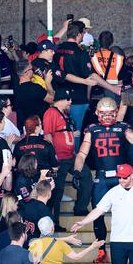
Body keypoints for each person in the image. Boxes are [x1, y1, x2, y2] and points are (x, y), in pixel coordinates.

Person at [74, 97, 133, 263]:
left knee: (131, 212)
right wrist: (77, 171)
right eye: (104, 113)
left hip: (122, 178)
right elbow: (82, 154)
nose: (107, 116)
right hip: (102, 177)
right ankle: (101, 251)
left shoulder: (122, 127)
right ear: (97, 113)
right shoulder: (91, 129)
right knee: (98, 214)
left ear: (115, 113)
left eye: (110, 113)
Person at [71, 164, 133, 264]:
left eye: (125, 177)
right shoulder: (113, 192)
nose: (121, 180)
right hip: (117, 240)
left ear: (132, 176)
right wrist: (83, 222)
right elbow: (98, 210)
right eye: (119, 177)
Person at [53, 20, 114, 151]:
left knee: (60, 130)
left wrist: (63, 28)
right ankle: (73, 158)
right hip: (77, 98)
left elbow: (51, 42)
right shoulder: (81, 52)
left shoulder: (57, 49)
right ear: (80, 35)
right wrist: (113, 88)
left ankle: (61, 157)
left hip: (59, 97)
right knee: (76, 131)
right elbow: (91, 75)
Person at [43, 88, 92, 229]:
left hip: (70, 157)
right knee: (57, 191)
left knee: (86, 176)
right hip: (59, 159)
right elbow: (48, 135)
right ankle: (54, 223)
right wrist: (54, 157)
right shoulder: (51, 112)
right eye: (68, 99)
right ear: (60, 100)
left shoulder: (64, 114)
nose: (70, 102)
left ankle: (80, 207)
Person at [29, 216, 104, 264]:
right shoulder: (60, 243)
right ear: (52, 229)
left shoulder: (34, 244)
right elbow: (76, 257)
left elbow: (31, 262)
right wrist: (92, 247)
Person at [14, 59, 54, 132]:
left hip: (23, 126)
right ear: (26, 73)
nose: (33, 71)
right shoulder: (34, 88)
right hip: (38, 127)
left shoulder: (15, 87)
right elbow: (52, 99)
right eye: (31, 69)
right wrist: (48, 82)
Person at [90, 30, 125, 101]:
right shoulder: (119, 58)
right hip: (113, 93)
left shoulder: (93, 57)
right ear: (111, 42)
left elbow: (90, 78)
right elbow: (121, 81)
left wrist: (88, 97)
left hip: (96, 93)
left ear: (99, 41)